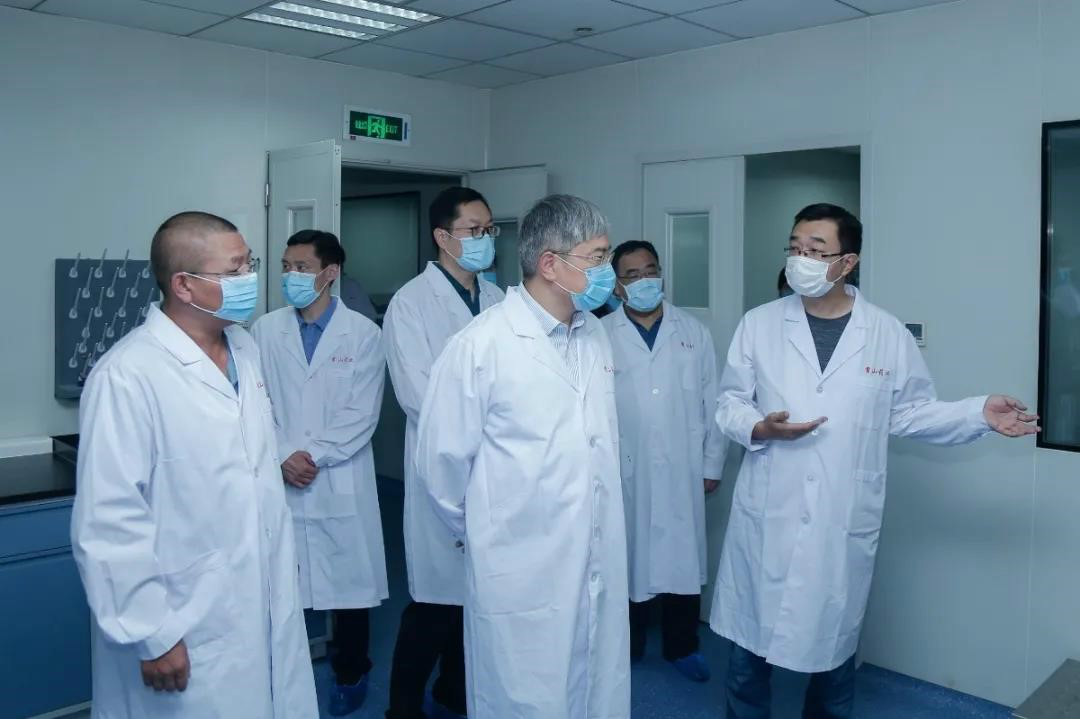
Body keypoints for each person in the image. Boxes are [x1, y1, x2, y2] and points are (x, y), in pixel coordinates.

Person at [710, 203, 1039, 719]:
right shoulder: (759, 324)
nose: (800, 259)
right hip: (768, 516)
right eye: (794, 247)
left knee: (832, 658)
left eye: (816, 250)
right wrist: (759, 427)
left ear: (848, 262)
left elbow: (910, 413)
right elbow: (729, 401)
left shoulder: (886, 334)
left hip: (839, 524)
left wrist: (978, 412)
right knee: (748, 659)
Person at [71, 212, 318, 719]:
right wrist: (152, 633)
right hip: (185, 615)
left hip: (258, 594)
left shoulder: (243, 349)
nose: (250, 278)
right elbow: (109, 520)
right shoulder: (128, 375)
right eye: (234, 270)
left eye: (249, 263)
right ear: (183, 285)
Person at [416, 194, 630, 719]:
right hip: (518, 568)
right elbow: (442, 470)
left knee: (593, 687)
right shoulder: (480, 346)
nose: (608, 270)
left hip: (594, 554)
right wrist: (497, 533)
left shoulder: (594, 333)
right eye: (597, 257)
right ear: (550, 264)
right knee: (525, 696)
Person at [251, 230, 388, 717]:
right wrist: (282, 454)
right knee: (278, 583)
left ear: (330, 273)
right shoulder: (264, 331)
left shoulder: (364, 334)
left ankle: (351, 673)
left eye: (302, 267)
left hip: (337, 476)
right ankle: (277, 676)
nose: (291, 275)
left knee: (348, 588)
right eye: (286, 266)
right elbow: (255, 403)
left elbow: (362, 414)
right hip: (282, 473)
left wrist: (310, 456)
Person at [382, 186, 505, 719]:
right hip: (443, 466)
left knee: (480, 596)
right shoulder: (411, 303)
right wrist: (493, 424)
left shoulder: (500, 300)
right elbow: (418, 395)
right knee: (435, 601)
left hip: (497, 468)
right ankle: (402, 709)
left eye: (489, 229)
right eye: (473, 230)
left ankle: (455, 692)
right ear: (442, 236)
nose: (485, 238)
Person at [601, 240, 726, 682]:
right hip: (623, 469)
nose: (644, 281)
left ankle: (682, 646)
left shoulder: (693, 332)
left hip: (682, 468)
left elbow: (714, 402)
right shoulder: (599, 335)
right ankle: (629, 645)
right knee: (627, 559)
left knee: (681, 559)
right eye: (632, 275)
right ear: (617, 286)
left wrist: (712, 464)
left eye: (650, 270)